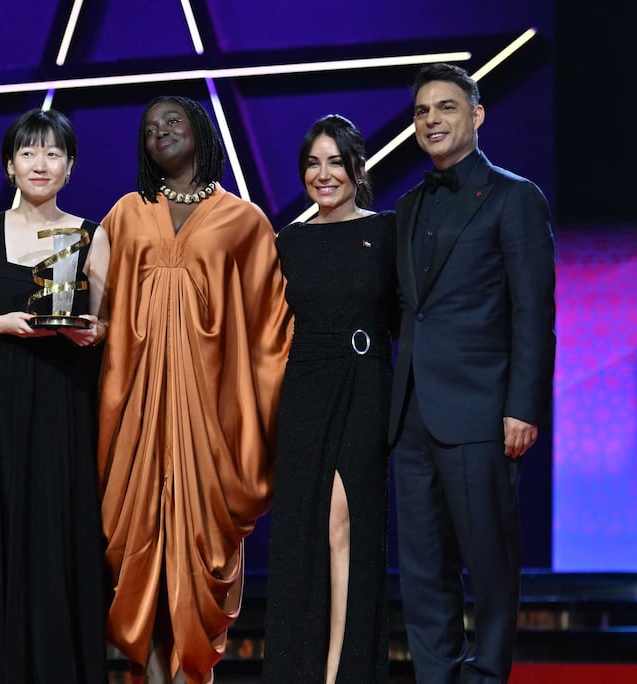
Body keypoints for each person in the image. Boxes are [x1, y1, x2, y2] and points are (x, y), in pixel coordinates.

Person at [97, 95, 292, 684]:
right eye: (149, 129)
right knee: (139, 546)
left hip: (210, 418)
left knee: (201, 548)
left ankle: (192, 675)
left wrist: (263, 415)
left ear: (200, 131)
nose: (160, 133)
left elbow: (270, 328)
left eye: (172, 121)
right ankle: (155, 673)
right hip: (136, 413)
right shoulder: (126, 214)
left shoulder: (245, 221)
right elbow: (97, 305)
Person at [389, 63, 556, 683]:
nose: (431, 120)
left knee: (488, 561)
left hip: (483, 413)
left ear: (477, 115)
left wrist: (523, 406)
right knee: (422, 567)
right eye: (421, 111)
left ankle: (486, 676)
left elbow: (533, 311)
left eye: (446, 107)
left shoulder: (514, 197)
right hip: (411, 417)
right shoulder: (407, 206)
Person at [0, 108, 109, 683]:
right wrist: (4, 324)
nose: (41, 163)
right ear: (10, 166)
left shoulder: (90, 234)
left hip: (62, 397)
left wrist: (90, 331)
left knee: (55, 530)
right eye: (29, 152)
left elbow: (105, 323)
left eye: (53, 153)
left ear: (70, 166)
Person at [262, 114, 397, 684]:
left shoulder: (387, 231)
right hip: (305, 390)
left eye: (335, 162)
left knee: (346, 523)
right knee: (306, 530)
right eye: (313, 164)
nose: (324, 174)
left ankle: (344, 672)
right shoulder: (289, 241)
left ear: (356, 168)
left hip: (365, 384)